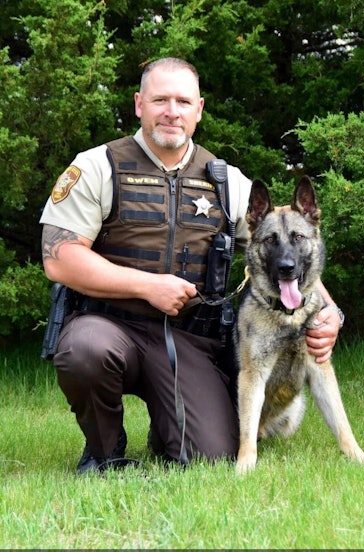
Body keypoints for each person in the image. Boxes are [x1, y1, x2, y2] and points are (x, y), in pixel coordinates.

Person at [40, 57, 342, 474]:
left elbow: (280, 249)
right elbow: (59, 260)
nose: (172, 111)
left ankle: (169, 426)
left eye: (183, 101)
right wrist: (147, 286)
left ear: (198, 109)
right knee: (85, 351)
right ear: (138, 104)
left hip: (187, 340)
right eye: (160, 99)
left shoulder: (225, 180)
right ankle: (103, 449)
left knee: (211, 455)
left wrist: (331, 313)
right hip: (108, 326)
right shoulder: (97, 166)